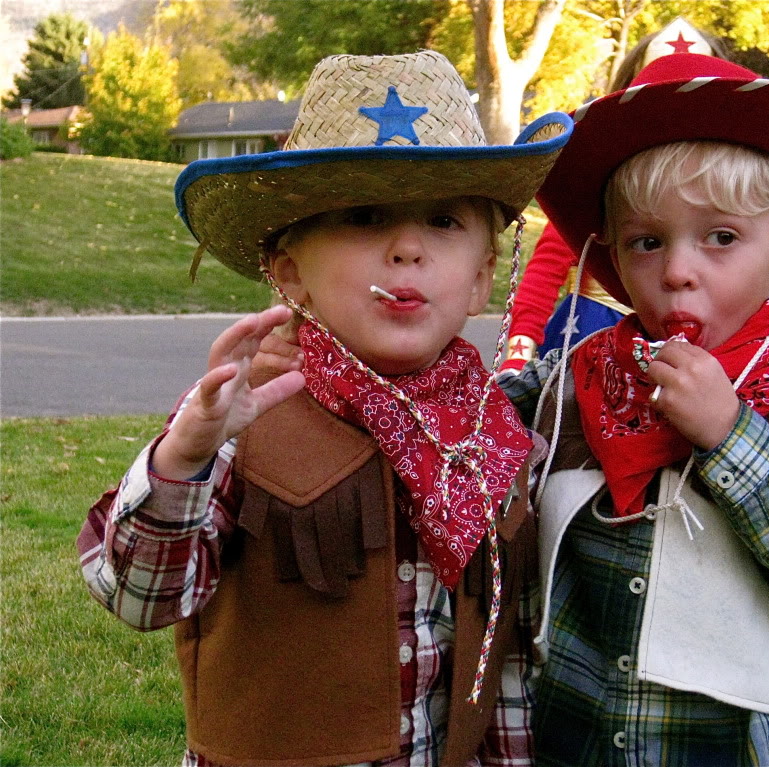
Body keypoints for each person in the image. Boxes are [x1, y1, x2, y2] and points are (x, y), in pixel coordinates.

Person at [77, 51, 572, 767]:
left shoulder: (492, 437)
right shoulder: (243, 416)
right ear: (289, 274)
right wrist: (184, 456)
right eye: (365, 217)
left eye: (441, 220)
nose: (406, 248)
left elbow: (502, 656)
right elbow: (137, 597)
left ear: (480, 280)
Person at [499, 51, 769, 764]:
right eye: (646, 242)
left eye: (719, 237)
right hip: (570, 736)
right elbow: (461, 420)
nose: (677, 268)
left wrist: (730, 434)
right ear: (614, 262)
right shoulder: (573, 383)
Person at [501, 17, 725, 372]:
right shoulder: (602, 182)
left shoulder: (737, 188)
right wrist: (521, 344)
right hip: (594, 333)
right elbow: (548, 264)